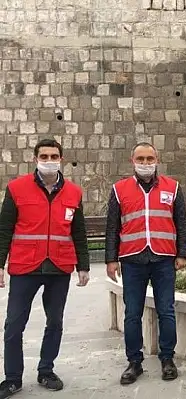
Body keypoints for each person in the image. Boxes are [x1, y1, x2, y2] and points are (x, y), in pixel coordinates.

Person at [0, 139, 90, 399]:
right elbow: (5, 229)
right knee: (14, 325)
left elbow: (79, 232)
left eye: (54, 155)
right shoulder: (17, 189)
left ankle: (46, 370)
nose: (49, 160)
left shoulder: (73, 192)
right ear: (35, 158)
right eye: (44, 155)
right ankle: (13, 378)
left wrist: (83, 265)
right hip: (25, 266)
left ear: (61, 159)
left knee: (55, 322)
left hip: (59, 267)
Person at [105, 142, 186, 385]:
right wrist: (111, 259)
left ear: (157, 159)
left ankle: (167, 359)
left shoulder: (172, 188)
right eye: (140, 159)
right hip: (132, 260)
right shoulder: (119, 189)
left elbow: (181, 222)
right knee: (132, 314)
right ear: (132, 161)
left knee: (166, 311)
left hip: (163, 259)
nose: (145, 163)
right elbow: (112, 226)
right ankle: (134, 362)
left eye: (149, 158)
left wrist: (182, 253)